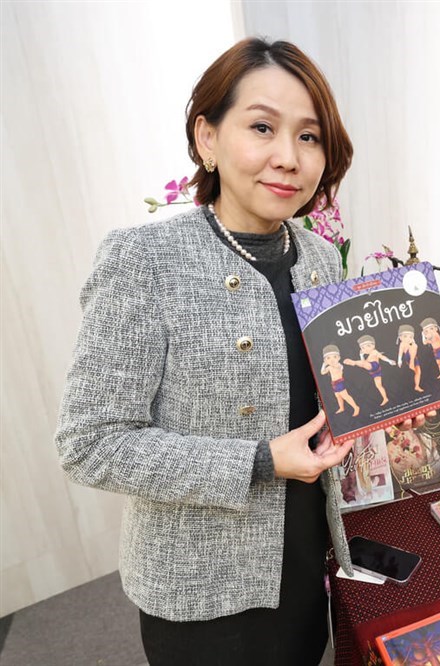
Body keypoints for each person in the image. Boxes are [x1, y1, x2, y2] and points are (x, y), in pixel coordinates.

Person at [55, 37, 361, 665]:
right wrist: (255, 461)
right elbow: (90, 444)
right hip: (202, 590)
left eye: (309, 137)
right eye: (261, 127)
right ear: (208, 138)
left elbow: (332, 393)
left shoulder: (323, 259)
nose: (288, 158)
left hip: (306, 560)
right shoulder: (145, 261)